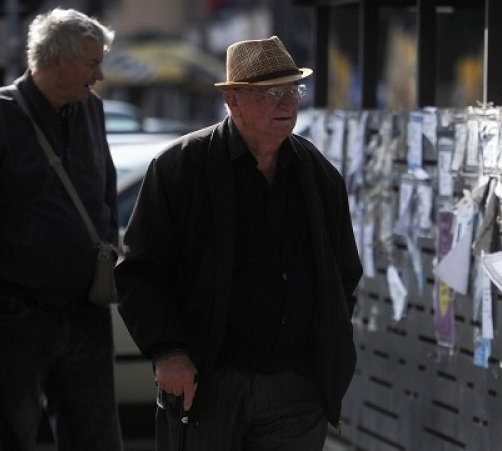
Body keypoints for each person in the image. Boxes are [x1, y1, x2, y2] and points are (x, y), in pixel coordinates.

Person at [115, 35, 362, 450]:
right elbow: (141, 271)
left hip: (295, 389)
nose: (286, 104)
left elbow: (344, 273)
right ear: (233, 100)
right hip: (209, 381)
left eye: (292, 91)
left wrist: (326, 356)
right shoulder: (182, 167)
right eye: (270, 94)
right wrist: (167, 352)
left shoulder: (317, 174)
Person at [0, 7, 123, 450]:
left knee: (96, 437)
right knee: (13, 436)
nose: (100, 74)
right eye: (92, 63)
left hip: (85, 310)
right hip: (16, 314)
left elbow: (106, 193)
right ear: (56, 60)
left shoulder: (91, 111)